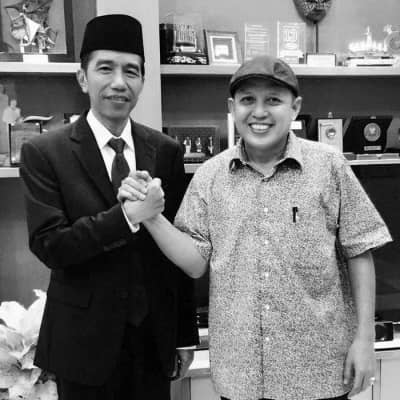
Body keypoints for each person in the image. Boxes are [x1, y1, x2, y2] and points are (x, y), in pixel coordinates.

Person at [118, 55, 392, 400]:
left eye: (273, 100)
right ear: (232, 107)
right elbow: (195, 262)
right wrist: (151, 216)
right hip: (240, 376)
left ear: (295, 107)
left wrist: (365, 339)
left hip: (319, 373)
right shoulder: (210, 176)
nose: (259, 112)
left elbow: (359, 250)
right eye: (248, 100)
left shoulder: (330, 167)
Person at [20, 14, 198, 400]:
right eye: (105, 68)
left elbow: (179, 248)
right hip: (82, 343)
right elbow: (51, 246)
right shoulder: (44, 152)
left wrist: (184, 334)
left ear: (142, 81)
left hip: (152, 341)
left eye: (131, 71)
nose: (119, 82)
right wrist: (127, 217)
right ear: (83, 78)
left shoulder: (165, 150)